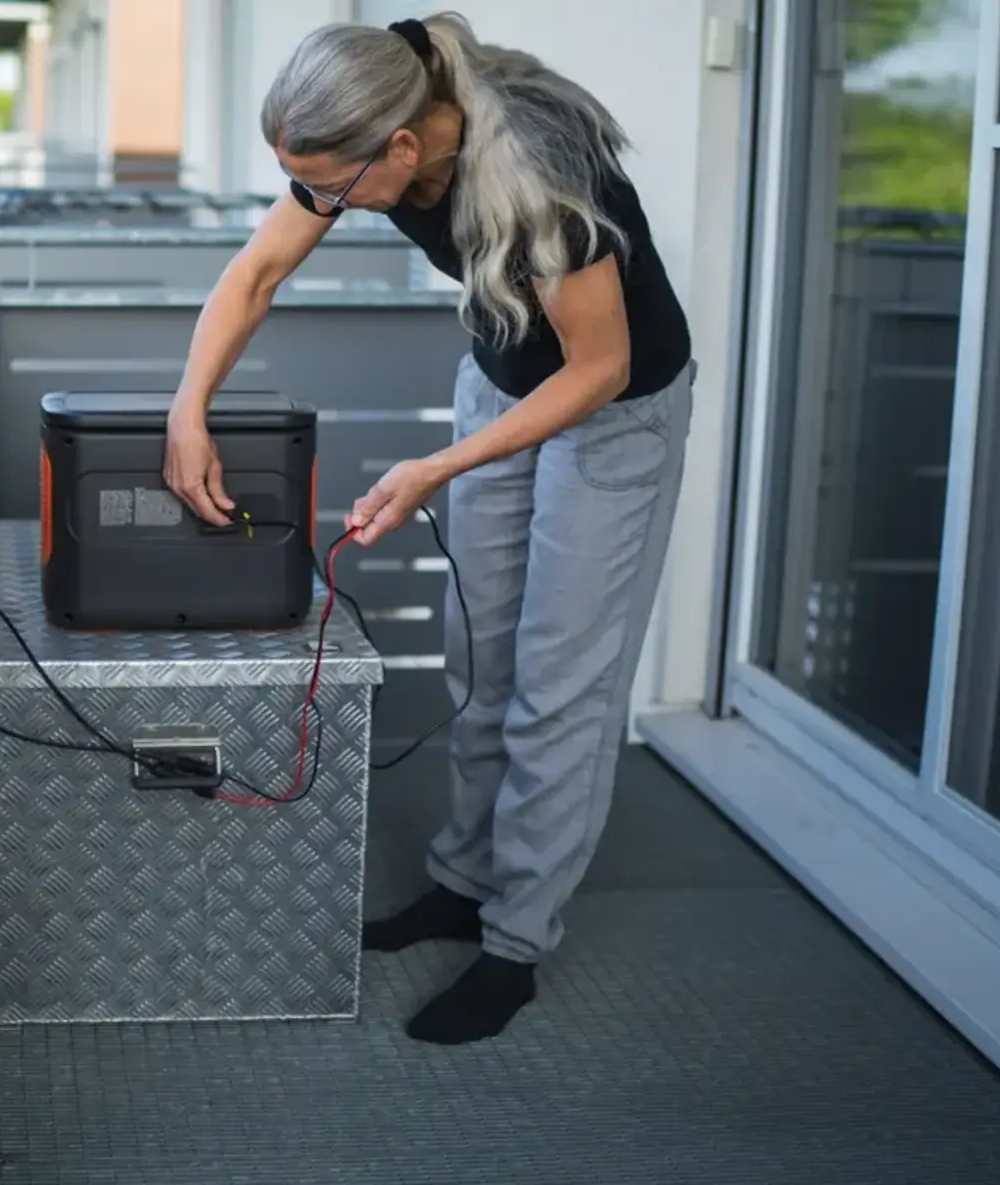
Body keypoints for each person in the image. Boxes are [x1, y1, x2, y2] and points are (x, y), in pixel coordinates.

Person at [162, 13, 693, 1045]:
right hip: (499, 385)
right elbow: (256, 274)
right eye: (299, 182)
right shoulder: (386, 113)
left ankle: (515, 942)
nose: (316, 205)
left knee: (558, 685)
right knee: (479, 659)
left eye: (327, 185)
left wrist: (433, 469)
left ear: (401, 150)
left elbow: (600, 369)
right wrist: (188, 411)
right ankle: (461, 882)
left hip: (612, 418)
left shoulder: (540, 171)